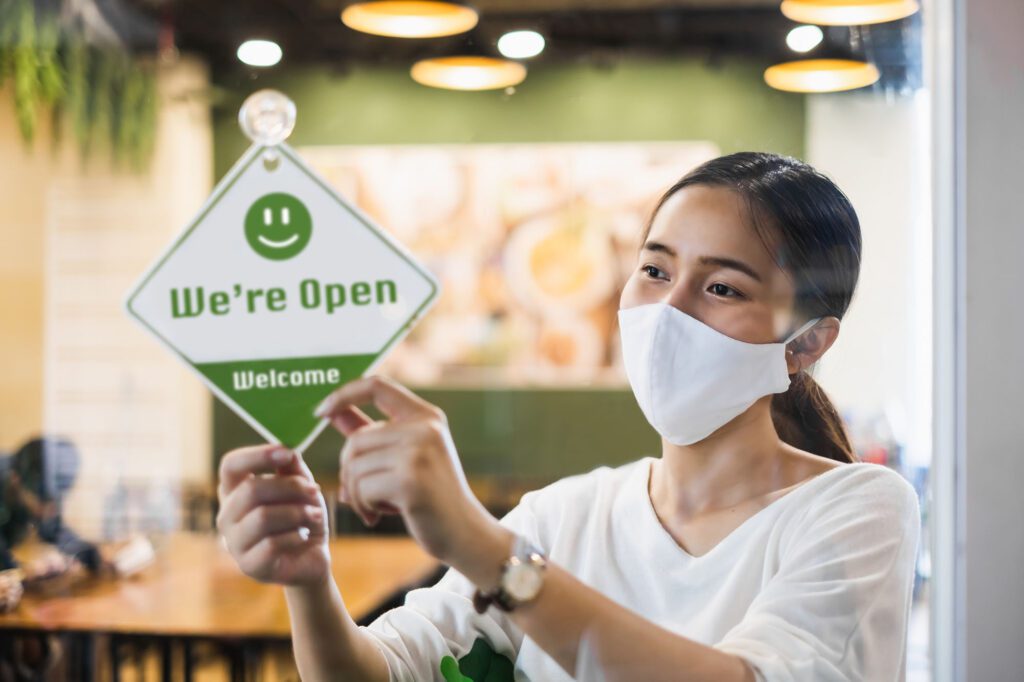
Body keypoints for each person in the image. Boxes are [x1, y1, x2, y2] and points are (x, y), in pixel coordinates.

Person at [215, 152, 920, 682]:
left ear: (807, 343)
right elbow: (386, 669)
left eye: (721, 286)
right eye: (653, 270)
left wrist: (477, 543)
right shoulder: (563, 517)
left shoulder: (855, 509)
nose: (667, 311)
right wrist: (307, 579)